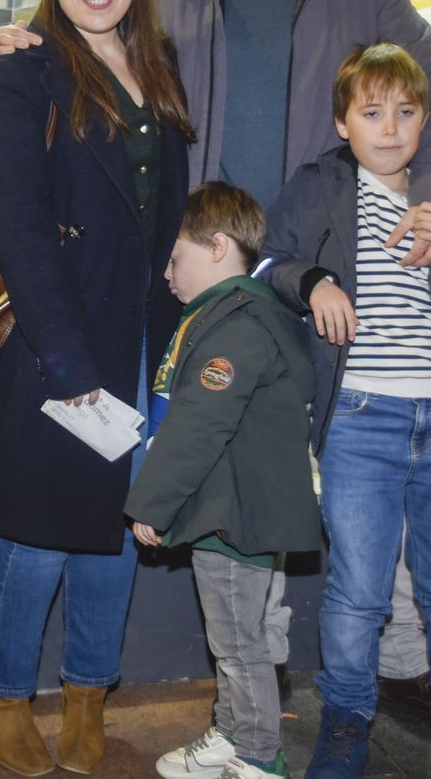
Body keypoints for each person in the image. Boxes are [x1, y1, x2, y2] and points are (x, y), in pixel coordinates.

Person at [0, 0, 431, 733]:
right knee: (249, 475)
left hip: (325, 264)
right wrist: (12, 34)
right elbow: (94, 30)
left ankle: (410, 663)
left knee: (363, 465)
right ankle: (267, 678)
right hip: (210, 277)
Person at [0, 0, 194, 777]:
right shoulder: (20, 72)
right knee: (42, 528)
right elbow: (16, 223)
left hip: (142, 332)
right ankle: (0, 689)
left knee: (123, 516)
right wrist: (66, 363)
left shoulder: (161, 68)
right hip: (53, 339)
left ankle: (90, 688)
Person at [257, 45, 431, 779]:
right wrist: (311, 279)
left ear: (424, 119)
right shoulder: (320, 186)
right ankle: (346, 722)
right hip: (360, 418)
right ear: (343, 122)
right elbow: (264, 264)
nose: (389, 127)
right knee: (357, 590)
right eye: (371, 112)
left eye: (405, 112)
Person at [126, 183, 322, 779]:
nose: (166, 273)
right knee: (234, 639)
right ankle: (232, 731)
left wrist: (153, 504)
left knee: (239, 645)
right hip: (228, 508)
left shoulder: (239, 323)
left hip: (235, 516)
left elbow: (200, 424)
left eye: (174, 256)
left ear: (216, 247)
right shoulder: (234, 314)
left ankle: (258, 754)